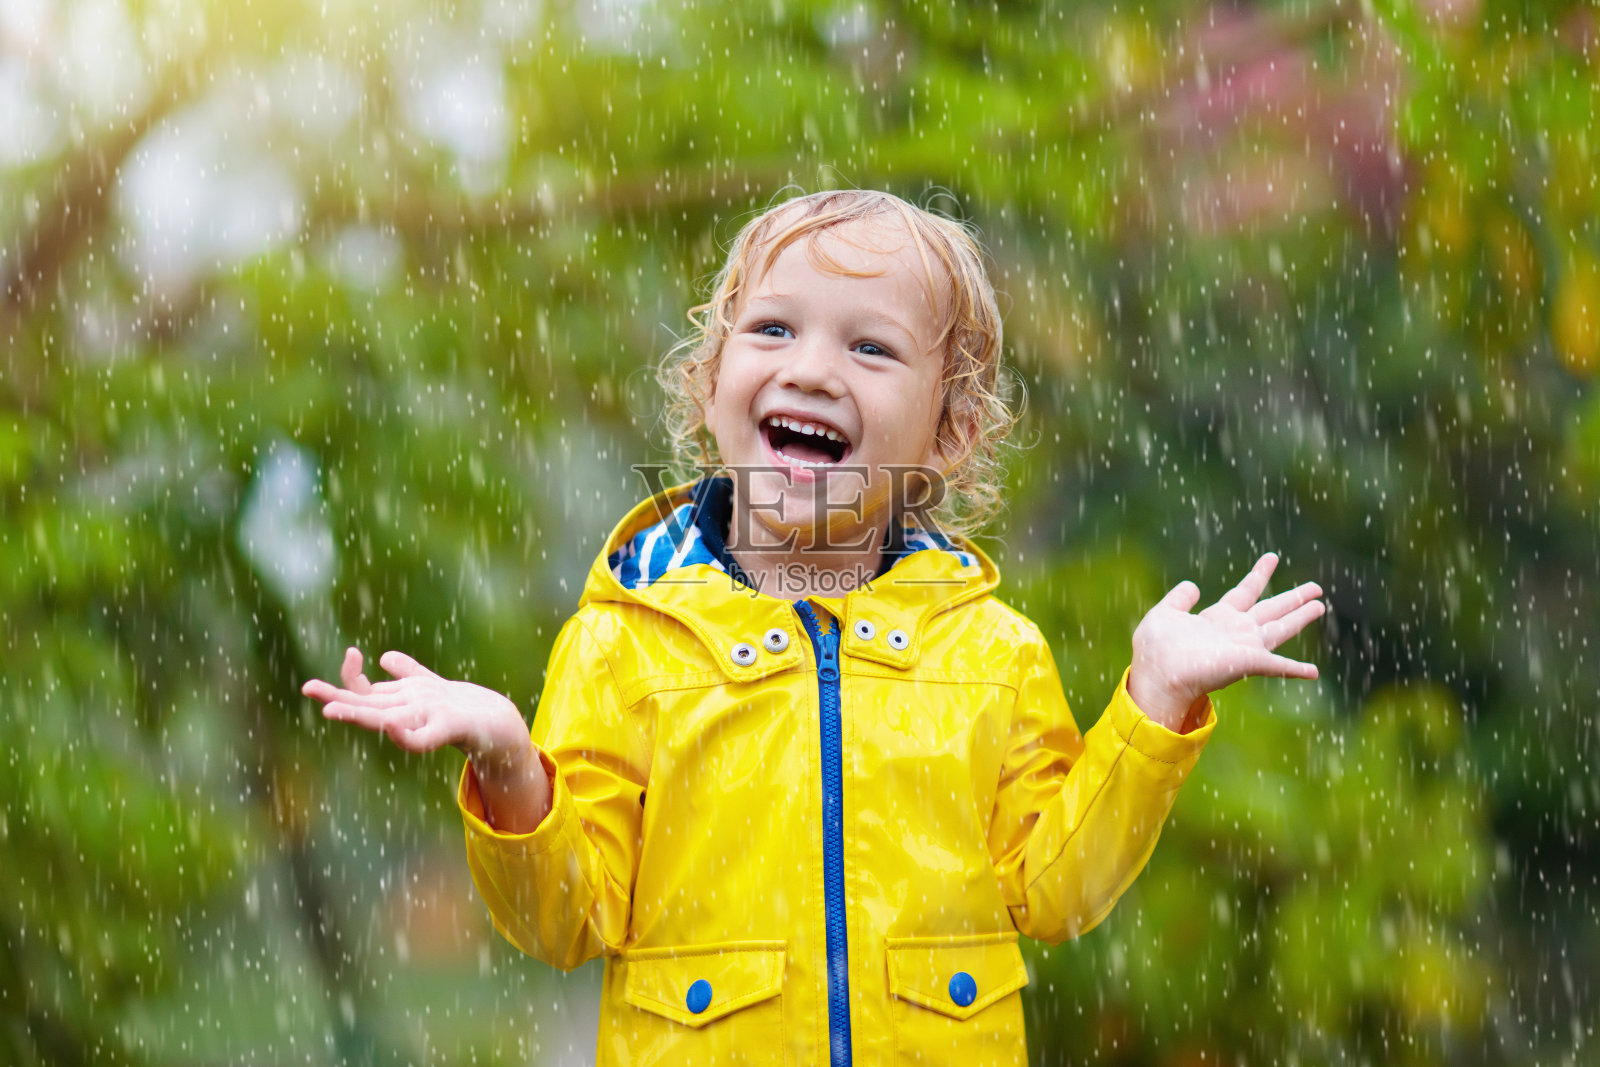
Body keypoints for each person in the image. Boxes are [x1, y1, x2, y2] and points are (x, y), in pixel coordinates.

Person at [302, 189, 1324, 1065]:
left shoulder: (992, 653)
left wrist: (1154, 701)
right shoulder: (625, 641)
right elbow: (565, 917)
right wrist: (513, 764)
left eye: (870, 345)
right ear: (711, 384)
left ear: (950, 429)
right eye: (773, 330)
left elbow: (1057, 889)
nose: (812, 369)